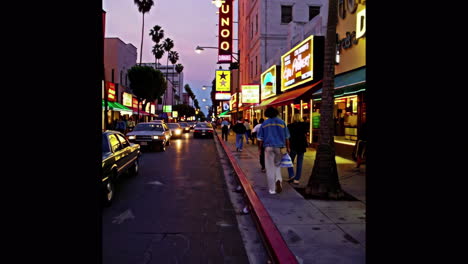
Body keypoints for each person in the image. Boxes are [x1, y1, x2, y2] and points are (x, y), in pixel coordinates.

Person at [257, 107, 290, 194]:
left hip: (268, 147)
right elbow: (287, 137)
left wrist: (260, 149)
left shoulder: (264, 123)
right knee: (277, 165)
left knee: (270, 168)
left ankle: (272, 189)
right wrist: (288, 147)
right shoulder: (282, 122)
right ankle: (278, 180)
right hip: (280, 147)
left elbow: (260, 138)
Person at [286, 114, 309, 185]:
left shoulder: (289, 126)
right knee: (300, 162)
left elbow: (288, 137)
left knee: (289, 161)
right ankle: (297, 179)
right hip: (301, 145)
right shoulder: (304, 125)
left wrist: (288, 147)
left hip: (293, 145)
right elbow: (306, 133)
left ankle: (291, 175)